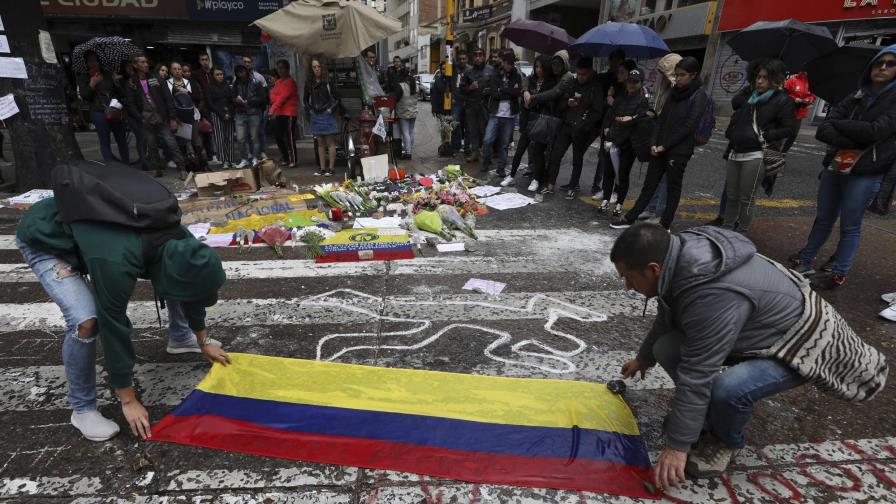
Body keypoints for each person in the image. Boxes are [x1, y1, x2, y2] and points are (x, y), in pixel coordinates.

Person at [613, 223, 885, 487]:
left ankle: (724, 440)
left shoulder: (710, 294)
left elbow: (698, 372)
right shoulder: (677, 258)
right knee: (665, 348)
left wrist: (677, 446)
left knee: (728, 389)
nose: (627, 286)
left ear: (653, 269)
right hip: (758, 331)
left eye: (628, 278)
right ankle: (705, 418)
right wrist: (645, 357)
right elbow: (668, 314)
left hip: (800, 344)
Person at [15, 196, 230, 441]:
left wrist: (203, 339)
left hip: (97, 235)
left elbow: (193, 289)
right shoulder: (116, 262)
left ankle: (181, 338)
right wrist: (128, 400)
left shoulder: (184, 242)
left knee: (179, 280)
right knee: (87, 321)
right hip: (47, 236)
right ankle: (82, 409)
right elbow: (113, 325)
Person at [790, 44, 896, 290]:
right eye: (879, 62)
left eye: (890, 64)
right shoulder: (856, 94)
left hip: (866, 172)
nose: (882, 67)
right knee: (823, 218)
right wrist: (857, 137)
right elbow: (826, 128)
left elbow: (877, 131)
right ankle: (804, 260)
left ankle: (838, 273)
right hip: (837, 165)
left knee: (850, 225)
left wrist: (846, 128)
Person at [611, 57, 708, 230]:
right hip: (660, 147)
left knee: (672, 187)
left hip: (678, 150)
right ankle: (630, 219)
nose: (678, 79)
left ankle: (665, 224)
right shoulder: (673, 93)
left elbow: (689, 126)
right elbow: (661, 120)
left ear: (693, 75)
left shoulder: (699, 95)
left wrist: (665, 145)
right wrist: (654, 143)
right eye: (676, 75)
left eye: (682, 75)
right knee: (649, 185)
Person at [722, 59, 794, 232]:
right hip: (736, 151)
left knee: (746, 197)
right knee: (731, 195)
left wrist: (768, 135)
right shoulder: (751, 96)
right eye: (758, 77)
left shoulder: (783, 101)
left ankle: (741, 232)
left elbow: (789, 128)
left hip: (756, 155)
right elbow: (735, 103)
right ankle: (726, 229)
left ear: (775, 80)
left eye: (765, 78)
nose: (759, 81)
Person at [539, 56, 604, 196]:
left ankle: (573, 186)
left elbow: (598, 112)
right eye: (578, 74)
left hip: (581, 128)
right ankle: (550, 184)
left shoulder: (595, 87)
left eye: (583, 74)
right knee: (556, 155)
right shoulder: (572, 84)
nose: (580, 77)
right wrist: (567, 103)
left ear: (590, 72)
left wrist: (584, 125)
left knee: (577, 158)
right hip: (567, 124)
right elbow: (560, 106)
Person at [638, 53, 682, 222]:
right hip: (658, 137)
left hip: (670, 141)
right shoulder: (664, 89)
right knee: (654, 176)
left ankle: (660, 212)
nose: (661, 77)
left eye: (664, 73)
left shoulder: (676, 91)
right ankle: (651, 208)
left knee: (666, 179)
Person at [599, 67, 650, 216]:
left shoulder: (643, 101)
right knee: (608, 172)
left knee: (622, 174)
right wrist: (607, 128)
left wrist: (632, 118)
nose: (631, 85)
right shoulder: (620, 98)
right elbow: (610, 113)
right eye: (629, 82)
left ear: (640, 83)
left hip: (629, 145)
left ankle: (620, 203)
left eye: (635, 82)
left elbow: (643, 118)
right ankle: (606, 200)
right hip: (613, 141)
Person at [124, 54, 184, 177]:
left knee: (171, 143)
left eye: (146, 62)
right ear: (135, 65)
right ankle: (157, 168)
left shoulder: (156, 78)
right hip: (145, 118)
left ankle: (182, 168)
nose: (146, 64)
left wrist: (172, 117)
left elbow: (168, 99)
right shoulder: (131, 82)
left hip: (161, 116)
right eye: (142, 62)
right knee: (151, 145)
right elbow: (130, 104)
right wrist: (140, 118)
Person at [526, 50, 575, 193]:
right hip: (548, 118)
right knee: (539, 148)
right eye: (553, 64)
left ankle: (549, 182)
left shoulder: (567, 77)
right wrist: (525, 90)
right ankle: (538, 178)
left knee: (553, 154)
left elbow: (555, 93)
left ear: (564, 65)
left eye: (558, 65)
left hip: (560, 120)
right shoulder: (552, 76)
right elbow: (529, 79)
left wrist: (534, 98)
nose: (555, 67)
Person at [78, 51, 129, 164]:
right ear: (87, 63)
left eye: (95, 60)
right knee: (105, 140)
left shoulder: (108, 74)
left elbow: (122, 94)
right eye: (90, 61)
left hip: (114, 109)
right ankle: (111, 166)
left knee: (121, 138)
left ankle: (126, 164)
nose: (93, 63)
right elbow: (85, 96)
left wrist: (116, 83)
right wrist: (92, 84)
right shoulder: (84, 77)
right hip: (98, 111)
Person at [481, 52, 522, 183]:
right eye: (507, 63)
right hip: (495, 113)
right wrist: (508, 91)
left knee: (504, 144)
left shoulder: (517, 75)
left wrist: (502, 90)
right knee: (487, 140)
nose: (509, 66)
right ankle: (486, 162)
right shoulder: (496, 74)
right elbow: (494, 92)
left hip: (509, 116)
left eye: (512, 64)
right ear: (503, 62)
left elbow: (517, 92)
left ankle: (501, 168)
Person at [518, 55, 556, 193]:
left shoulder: (551, 82)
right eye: (536, 67)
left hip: (545, 120)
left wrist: (534, 98)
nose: (538, 70)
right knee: (530, 148)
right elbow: (525, 84)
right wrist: (526, 91)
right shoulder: (530, 80)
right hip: (531, 118)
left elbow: (549, 99)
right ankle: (533, 172)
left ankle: (539, 177)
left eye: (541, 67)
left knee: (541, 150)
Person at [305, 57, 342, 176]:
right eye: (314, 67)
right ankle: (322, 168)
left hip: (327, 113)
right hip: (315, 114)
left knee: (330, 142)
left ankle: (331, 168)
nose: (317, 69)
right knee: (320, 143)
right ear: (311, 69)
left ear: (323, 67)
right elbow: (305, 100)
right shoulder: (309, 82)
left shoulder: (328, 81)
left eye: (318, 66)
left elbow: (337, 99)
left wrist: (330, 110)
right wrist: (310, 110)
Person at [167, 61, 204, 177]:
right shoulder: (168, 84)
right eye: (175, 69)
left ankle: (200, 164)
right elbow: (167, 101)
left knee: (195, 140)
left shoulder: (189, 82)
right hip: (178, 118)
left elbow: (197, 97)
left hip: (191, 116)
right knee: (183, 142)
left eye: (179, 69)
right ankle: (186, 166)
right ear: (171, 71)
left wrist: (186, 91)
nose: (177, 71)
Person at [461, 48, 493, 163]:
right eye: (476, 55)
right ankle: (475, 152)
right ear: (472, 57)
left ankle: (487, 155)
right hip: (471, 106)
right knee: (472, 130)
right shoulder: (468, 72)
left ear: (484, 56)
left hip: (485, 106)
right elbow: (461, 89)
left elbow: (496, 87)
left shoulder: (491, 70)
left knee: (485, 132)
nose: (478, 58)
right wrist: (470, 88)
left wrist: (489, 90)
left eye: (480, 55)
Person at [232, 64, 266, 168]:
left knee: (254, 137)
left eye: (242, 72)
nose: (240, 74)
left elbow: (262, 98)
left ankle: (255, 157)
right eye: (238, 72)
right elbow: (232, 96)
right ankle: (244, 158)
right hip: (240, 113)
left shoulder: (256, 82)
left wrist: (250, 101)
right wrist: (236, 100)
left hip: (253, 112)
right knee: (240, 138)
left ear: (246, 72)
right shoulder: (236, 83)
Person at [268, 59, 299, 168]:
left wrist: (272, 109)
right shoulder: (278, 82)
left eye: (282, 68)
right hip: (280, 113)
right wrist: (276, 101)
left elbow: (282, 98)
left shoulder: (290, 82)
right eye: (278, 68)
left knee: (289, 137)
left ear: (287, 69)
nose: (280, 71)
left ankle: (293, 160)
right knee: (278, 136)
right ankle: (286, 157)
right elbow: (272, 96)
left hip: (289, 113)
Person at [205, 68, 235, 168]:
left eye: (221, 74)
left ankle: (231, 159)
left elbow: (231, 101)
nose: (220, 76)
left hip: (229, 114)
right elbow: (210, 104)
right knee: (220, 138)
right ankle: (224, 160)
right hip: (217, 114)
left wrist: (229, 113)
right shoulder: (209, 87)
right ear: (213, 76)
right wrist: (222, 114)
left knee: (229, 137)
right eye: (217, 74)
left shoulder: (227, 86)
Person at [242, 55, 269, 160]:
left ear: (251, 63)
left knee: (260, 131)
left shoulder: (258, 77)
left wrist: (264, 108)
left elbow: (265, 94)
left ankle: (262, 152)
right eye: (245, 62)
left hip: (258, 110)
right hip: (245, 110)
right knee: (249, 133)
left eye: (248, 62)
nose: (247, 64)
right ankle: (252, 154)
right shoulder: (238, 78)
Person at [783, 71, 815, 152]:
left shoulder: (812, 83)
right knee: (782, 133)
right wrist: (794, 99)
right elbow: (784, 94)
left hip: (800, 113)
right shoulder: (792, 80)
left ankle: (783, 152)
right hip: (787, 112)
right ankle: (774, 150)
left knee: (793, 135)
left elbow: (813, 96)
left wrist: (808, 100)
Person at [395, 68, 418, 160]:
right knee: (410, 131)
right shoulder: (414, 84)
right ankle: (409, 149)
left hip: (403, 112)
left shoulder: (401, 86)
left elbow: (396, 98)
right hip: (413, 111)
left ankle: (408, 152)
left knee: (405, 132)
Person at [450, 51, 470, 155]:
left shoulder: (470, 69)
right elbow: (449, 55)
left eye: (464, 59)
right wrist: (450, 41)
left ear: (467, 59)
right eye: (460, 59)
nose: (462, 61)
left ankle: (467, 147)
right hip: (456, 101)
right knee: (455, 124)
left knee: (468, 125)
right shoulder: (454, 68)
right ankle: (455, 146)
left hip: (467, 101)